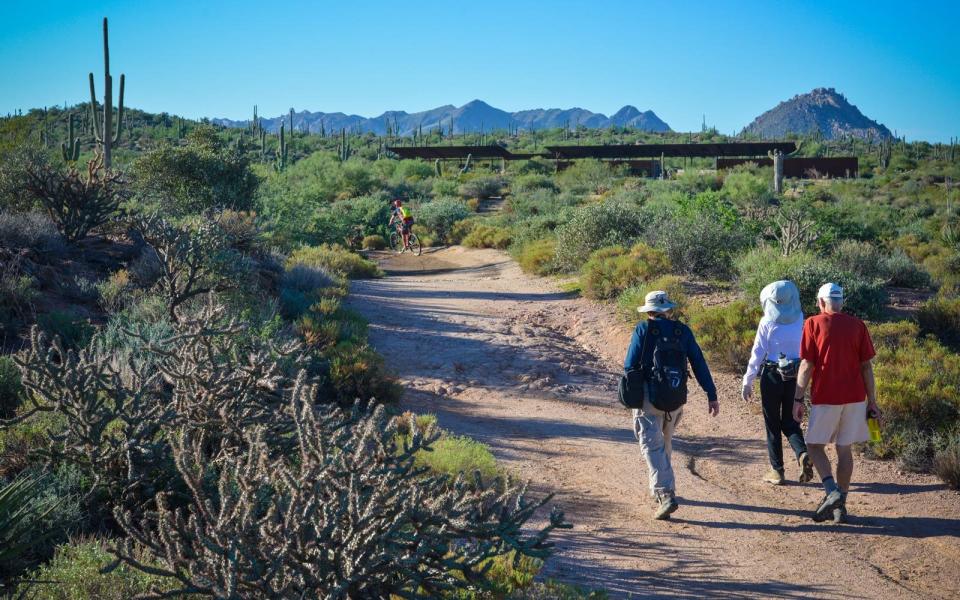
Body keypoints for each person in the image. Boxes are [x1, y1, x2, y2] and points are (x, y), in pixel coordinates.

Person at [624, 290, 720, 520]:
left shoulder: (643, 329)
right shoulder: (682, 331)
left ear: (648, 311)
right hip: (676, 398)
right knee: (664, 442)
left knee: (651, 446)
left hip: (649, 398)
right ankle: (661, 487)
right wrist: (711, 393)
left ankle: (664, 493)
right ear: (667, 309)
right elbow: (698, 362)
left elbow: (629, 365)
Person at [792, 283, 880, 523]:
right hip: (855, 398)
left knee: (813, 446)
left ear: (821, 302)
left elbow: (807, 365)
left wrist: (798, 398)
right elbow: (866, 366)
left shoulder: (812, 323)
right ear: (841, 302)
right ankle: (841, 507)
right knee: (844, 450)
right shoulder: (858, 326)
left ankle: (832, 492)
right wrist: (872, 402)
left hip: (826, 397)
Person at [742, 281, 814, 486]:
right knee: (790, 421)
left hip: (772, 375)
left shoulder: (767, 322)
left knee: (772, 424)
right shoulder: (801, 319)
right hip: (795, 375)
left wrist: (747, 381)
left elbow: (757, 353)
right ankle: (802, 454)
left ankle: (777, 471)